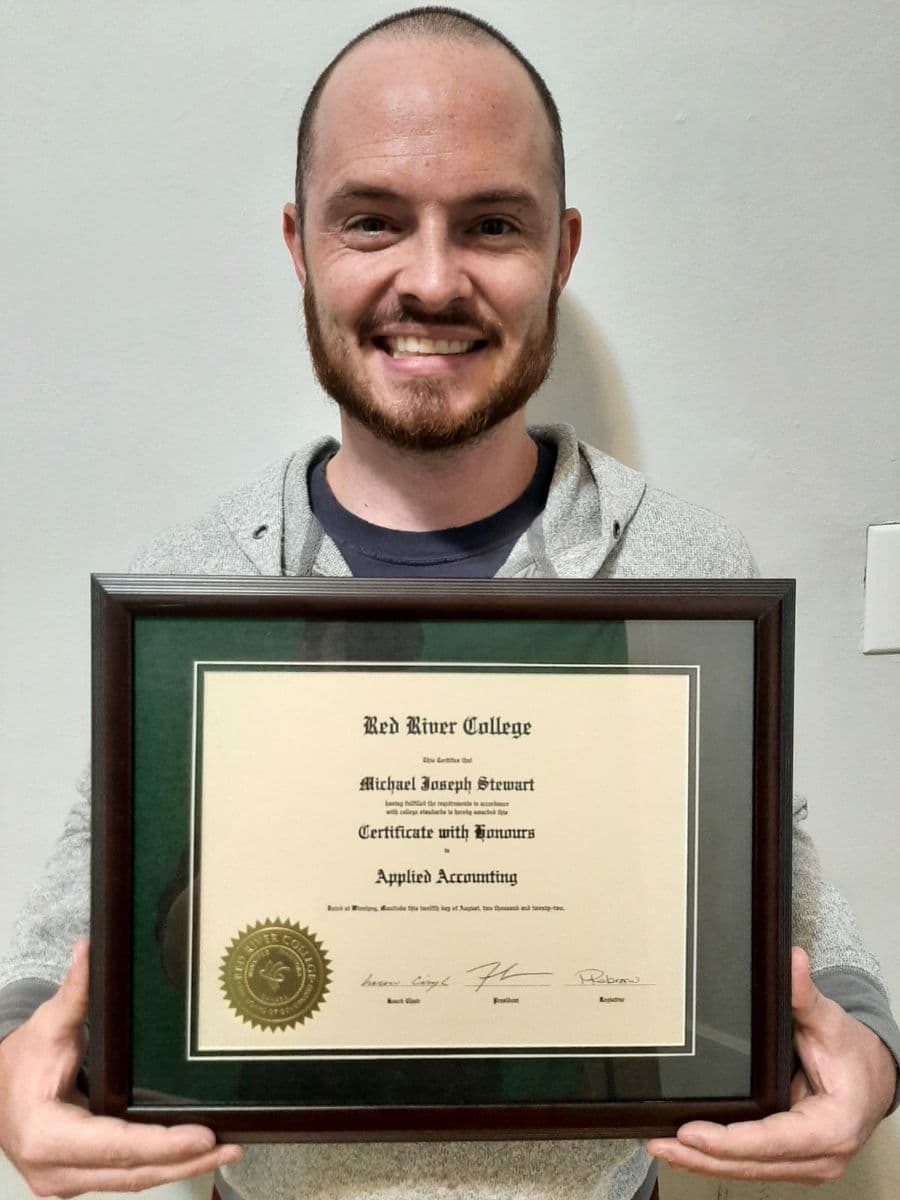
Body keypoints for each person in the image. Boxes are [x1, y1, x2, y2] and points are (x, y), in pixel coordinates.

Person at [0, 7, 897, 1200]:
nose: (431, 280)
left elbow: (798, 927)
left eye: (491, 225)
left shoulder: (684, 570)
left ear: (563, 250)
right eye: (372, 220)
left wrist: (872, 1059)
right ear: (300, 244)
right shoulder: (198, 584)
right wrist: (14, 1062)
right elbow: (64, 940)